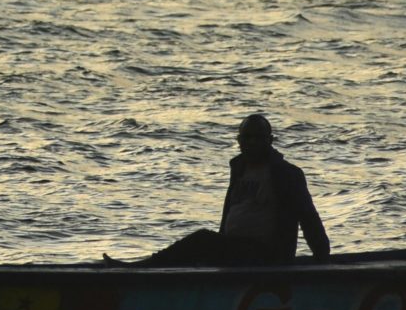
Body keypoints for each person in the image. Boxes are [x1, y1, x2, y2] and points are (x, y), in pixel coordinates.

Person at [119, 113, 331, 266]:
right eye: (247, 137)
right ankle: (149, 267)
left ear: (270, 141)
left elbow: (308, 218)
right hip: (235, 250)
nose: (252, 143)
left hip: (266, 256)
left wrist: (323, 261)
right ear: (239, 141)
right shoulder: (239, 169)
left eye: (258, 137)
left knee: (201, 239)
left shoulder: (286, 174)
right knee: (199, 248)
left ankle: (142, 268)